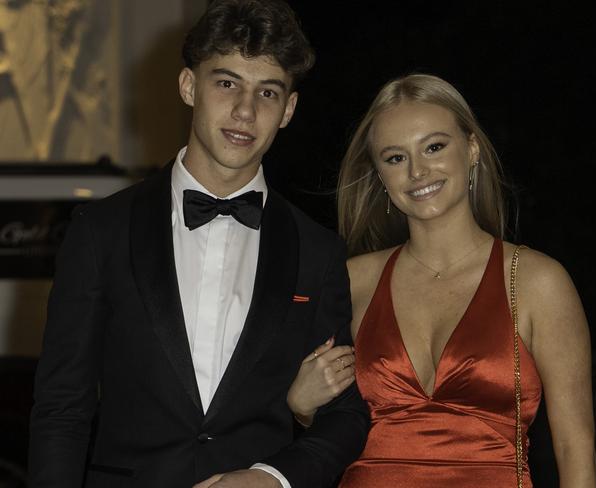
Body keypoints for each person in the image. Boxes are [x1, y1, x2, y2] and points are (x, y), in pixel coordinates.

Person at [28, 1, 369, 487]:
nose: (245, 111)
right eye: (226, 83)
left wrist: (273, 477)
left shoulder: (317, 252)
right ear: (189, 86)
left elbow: (346, 416)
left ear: (288, 110)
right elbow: (62, 408)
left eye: (267, 92)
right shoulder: (100, 230)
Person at [286, 74, 596, 487]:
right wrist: (300, 408)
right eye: (395, 158)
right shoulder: (351, 279)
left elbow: (575, 449)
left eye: (434, 147)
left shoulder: (537, 281)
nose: (417, 171)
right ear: (379, 175)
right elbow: (327, 423)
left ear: (471, 149)